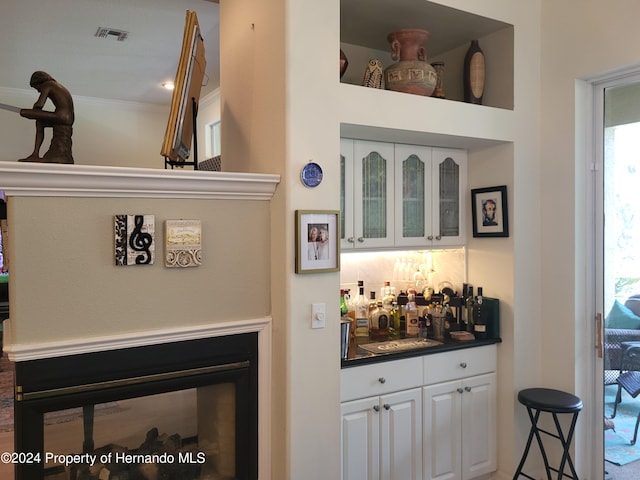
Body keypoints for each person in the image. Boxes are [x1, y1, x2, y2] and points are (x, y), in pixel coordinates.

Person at [19, 71, 74, 164]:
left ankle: (35, 154)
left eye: (36, 88)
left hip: (61, 117)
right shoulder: (57, 86)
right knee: (40, 122)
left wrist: (30, 112)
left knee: (37, 121)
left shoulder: (47, 85)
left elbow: (39, 104)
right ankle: (35, 154)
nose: (38, 90)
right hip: (68, 118)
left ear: (38, 82)